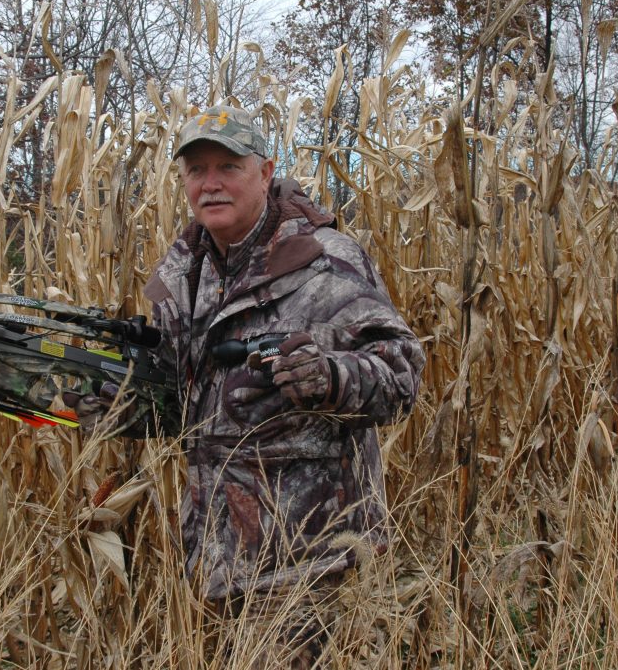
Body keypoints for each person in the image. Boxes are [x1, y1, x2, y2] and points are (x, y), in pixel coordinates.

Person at [68, 105, 424, 660]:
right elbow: (177, 404)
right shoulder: (187, 273)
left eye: (227, 167)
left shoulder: (326, 265)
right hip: (215, 557)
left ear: (265, 172)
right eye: (195, 170)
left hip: (311, 560)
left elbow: (402, 374)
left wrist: (328, 376)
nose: (209, 184)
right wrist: (102, 399)